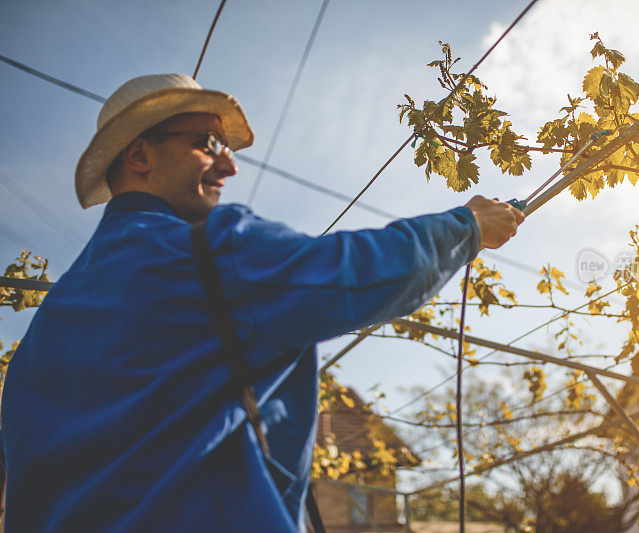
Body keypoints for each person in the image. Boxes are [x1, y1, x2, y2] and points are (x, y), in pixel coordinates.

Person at [0, 74, 523, 532]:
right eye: (208, 142)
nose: (229, 164)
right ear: (139, 155)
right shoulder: (206, 253)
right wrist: (468, 226)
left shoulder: (39, 339)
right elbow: (355, 271)